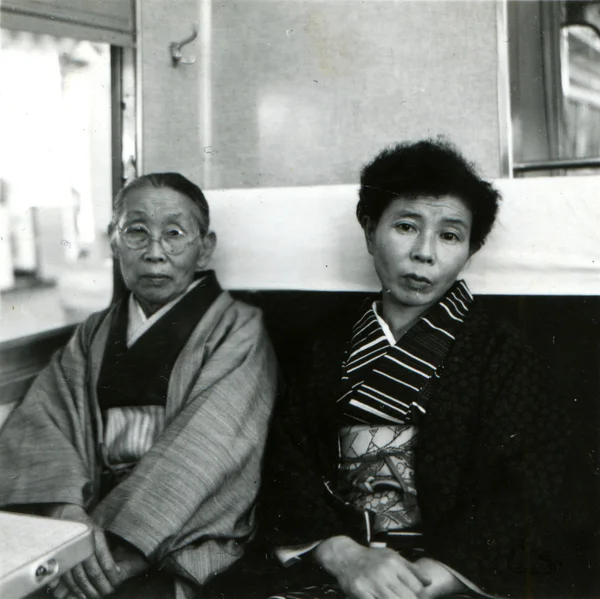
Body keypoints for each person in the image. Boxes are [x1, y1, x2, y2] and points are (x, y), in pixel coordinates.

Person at [207, 139, 576, 599]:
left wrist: (438, 575)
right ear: (368, 230)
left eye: (449, 235)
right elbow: (287, 463)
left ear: (471, 249)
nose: (425, 253)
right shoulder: (324, 345)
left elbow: (531, 482)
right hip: (336, 565)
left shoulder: (502, 353)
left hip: (444, 574)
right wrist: (341, 554)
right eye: (406, 226)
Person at [0, 173, 278, 599]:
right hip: (84, 530)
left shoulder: (239, 329)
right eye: (136, 232)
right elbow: (44, 422)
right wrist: (66, 516)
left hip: (184, 541)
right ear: (113, 241)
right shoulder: (94, 332)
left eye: (173, 234)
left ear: (205, 248)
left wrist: (114, 555)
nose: (154, 253)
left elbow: (209, 452)